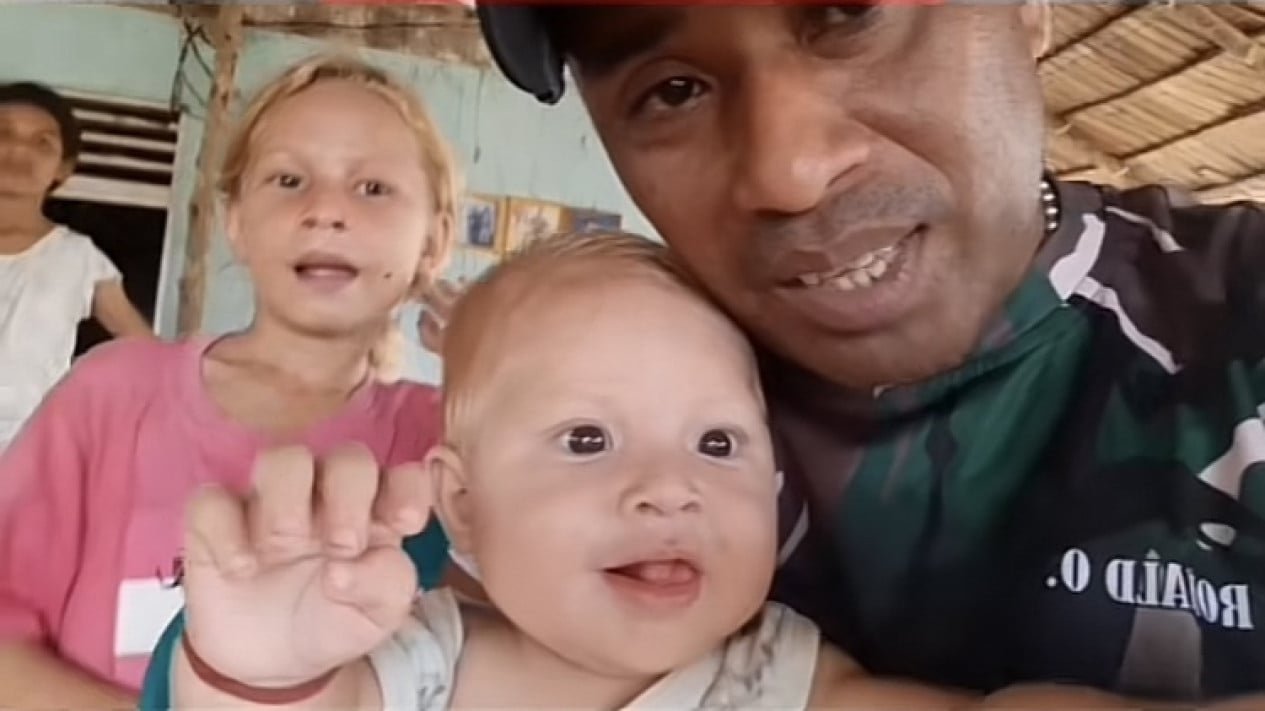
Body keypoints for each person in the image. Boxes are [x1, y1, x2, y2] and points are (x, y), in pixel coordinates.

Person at [141, 2, 1265, 708]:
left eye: (849, 11)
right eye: (670, 88)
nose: (786, 168)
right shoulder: (549, 423)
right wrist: (244, 665)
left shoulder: (1237, 315)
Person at [170, 231, 1187, 711]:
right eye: (586, 439)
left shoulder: (776, 675)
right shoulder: (412, 663)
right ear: (463, 505)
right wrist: (255, 667)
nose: (668, 487)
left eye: (717, 443)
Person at [0, 56, 456, 708]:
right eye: (289, 179)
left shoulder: (450, 444)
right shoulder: (113, 393)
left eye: (374, 188)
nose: (326, 210)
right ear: (237, 222)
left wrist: (498, 361)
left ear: (435, 240)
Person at [0, 81, 153, 452]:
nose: (18, 151)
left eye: (42, 143)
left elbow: (146, 354)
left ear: (63, 168)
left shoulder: (78, 259)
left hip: (25, 458)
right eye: (2, 134)